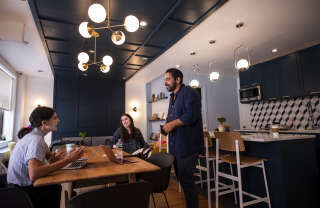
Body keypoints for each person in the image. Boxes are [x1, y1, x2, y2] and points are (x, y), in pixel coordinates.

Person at [7, 106, 84, 208]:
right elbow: (34, 173)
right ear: (44, 123)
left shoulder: (35, 137)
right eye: (55, 118)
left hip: (17, 189)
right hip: (22, 193)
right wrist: (69, 159)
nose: (58, 120)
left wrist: (53, 160)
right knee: (64, 193)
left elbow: (39, 163)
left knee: (65, 190)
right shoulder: (36, 140)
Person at [163, 68, 204, 208]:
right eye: (165, 80)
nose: (165, 82)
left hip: (188, 146)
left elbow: (191, 116)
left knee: (187, 181)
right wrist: (164, 130)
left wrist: (172, 125)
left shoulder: (190, 93)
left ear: (178, 79)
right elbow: (171, 118)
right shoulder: (172, 97)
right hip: (176, 147)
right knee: (182, 179)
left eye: (168, 79)